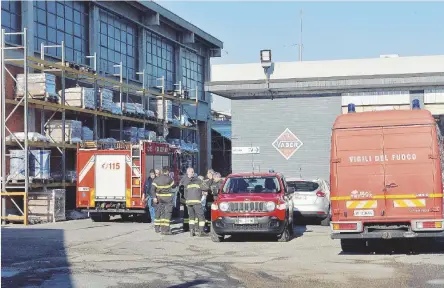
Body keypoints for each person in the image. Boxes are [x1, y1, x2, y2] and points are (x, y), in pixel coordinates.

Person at [181, 167, 207, 237]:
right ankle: (201, 231)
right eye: (192, 172)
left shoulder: (186, 181)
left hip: (189, 202)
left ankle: (191, 231)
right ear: (192, 172)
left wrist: (187, 200)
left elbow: (184, 193)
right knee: (201, 217)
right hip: (196, 201)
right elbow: (206, 188)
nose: (192, 173)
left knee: (191, 218)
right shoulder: (198, 180)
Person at [151, 166, 175, 235]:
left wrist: (154, 197)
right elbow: (174, 186)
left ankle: (162, 230)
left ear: (162, 171)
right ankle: (166, 230)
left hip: (160, 199)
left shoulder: (156, 179)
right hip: (168, 199)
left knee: (162, 214)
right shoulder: (169, 179)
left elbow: (152, 189)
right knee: (168, 213)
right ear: (167, 171)